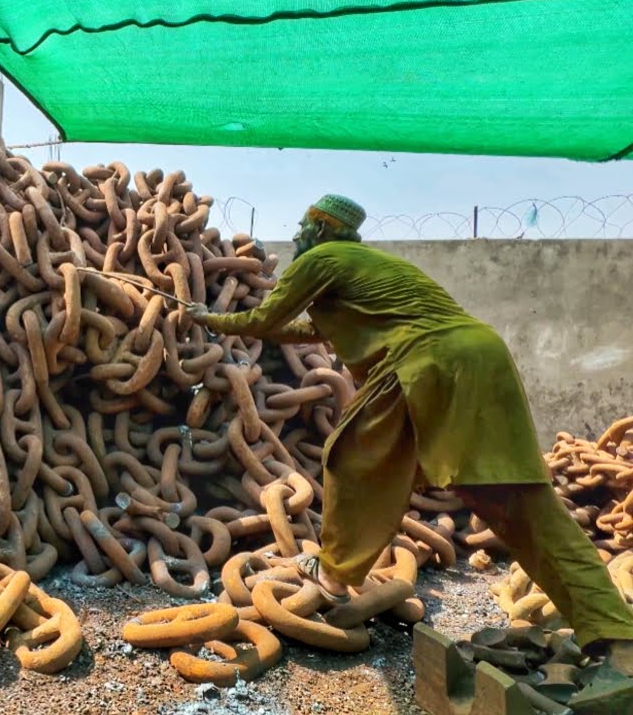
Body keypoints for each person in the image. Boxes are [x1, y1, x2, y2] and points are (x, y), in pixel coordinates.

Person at [187, 195, 633, 684]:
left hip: (427, 362)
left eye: (301, 227)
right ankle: (613, 633)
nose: (295, 235)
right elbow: (305, 331)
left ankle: (334, 576)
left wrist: (206, 318)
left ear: (320, 228)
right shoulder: (368, 269)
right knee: (518, 502)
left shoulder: (321, 260)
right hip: (481, 359)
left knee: (351, 458)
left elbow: (263, 320)